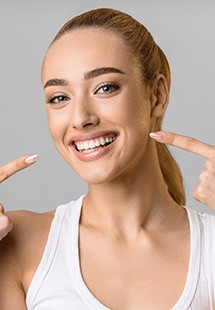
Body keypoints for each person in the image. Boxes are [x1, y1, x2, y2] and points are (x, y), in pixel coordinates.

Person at [0, 7, 215, 310]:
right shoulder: (17, 244)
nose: (80, 119)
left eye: (105, 88)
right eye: (59, 97)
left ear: (157, 95)